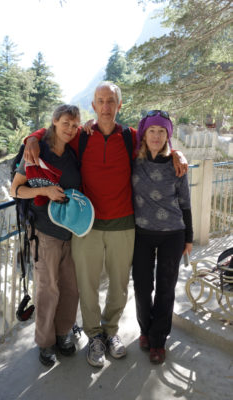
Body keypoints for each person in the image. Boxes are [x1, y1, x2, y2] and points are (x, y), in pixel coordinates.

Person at [23, 82, 188, 368]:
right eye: (101, 101)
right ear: (94, 106)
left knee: (120, 285)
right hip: (87, 225)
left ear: (119, 105)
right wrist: (31, 138)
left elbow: (157, 141)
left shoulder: (130, 137)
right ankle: (94, 336)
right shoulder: (82, 137)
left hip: (124, 224)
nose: (107, 107)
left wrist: (177, 154)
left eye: (111, 101)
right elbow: (56, 132)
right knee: (86, 286)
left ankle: (111, 332)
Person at [10, 104, 81, 367]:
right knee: (48, 289)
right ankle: (45, 342)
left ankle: (63, 334)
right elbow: (15, 190)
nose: (70, 129)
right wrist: (45, 191)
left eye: (74, 125)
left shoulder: (72, 152)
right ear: (54, 122)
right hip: (44, 232)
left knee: (71, 289)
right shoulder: (37, 150)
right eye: (65, 123)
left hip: (72, 232)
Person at [131, 110, 193, 365]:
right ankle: (145, 330)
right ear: (143, 135)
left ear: (168, 136)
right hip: (141, 234)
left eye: (161, 132)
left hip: (172, 234)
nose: (156, 136)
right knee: (142, 287)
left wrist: (189, 237)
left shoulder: (176, 164)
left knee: (166, 289)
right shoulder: (133, 159)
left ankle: (158, 340)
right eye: (152, 131)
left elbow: (185, 203)